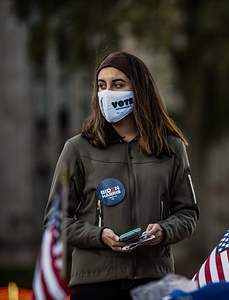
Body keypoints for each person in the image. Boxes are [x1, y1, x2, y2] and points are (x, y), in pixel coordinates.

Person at [43, 51, 200, 300]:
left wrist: (163, 230)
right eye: (101, 85)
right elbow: (55, 221)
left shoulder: (171, 148)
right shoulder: (78, 148)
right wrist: (99, 236)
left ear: (139, 90)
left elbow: (188, 213)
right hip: (95, 284)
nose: (107, 93)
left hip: (154, 282)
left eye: (118, 84)